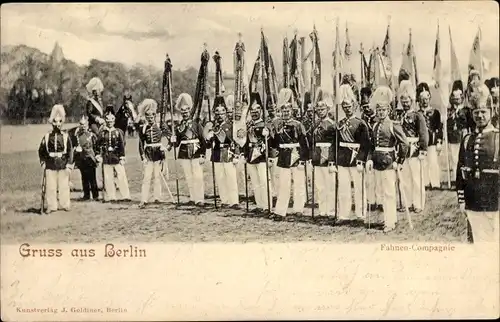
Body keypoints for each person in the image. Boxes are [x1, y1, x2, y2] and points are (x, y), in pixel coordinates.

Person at [456, 84, 499, 243]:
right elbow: (459, 172)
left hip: (494, 201)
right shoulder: (467, 140)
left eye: (483, 112)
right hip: (473, 200)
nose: (479, 116)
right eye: (476, 112)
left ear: (491, 112)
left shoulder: (497, 138)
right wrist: (461, 200)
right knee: (477, 244)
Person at [366, 86, 409, 233]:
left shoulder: (393, 125)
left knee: (389, 193)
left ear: (388, 111)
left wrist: (400, 160)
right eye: (378, 110)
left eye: (383, 110)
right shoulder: (375, 125)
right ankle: (390, 218)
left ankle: (390, 222)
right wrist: (370, 159)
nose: (381, 113)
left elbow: (404, 143)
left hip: (389, 162)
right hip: (377, 162)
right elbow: (372, 145)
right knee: (380, 193)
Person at [335, 84, 371, 223]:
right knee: (343, 188)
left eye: (349, 106)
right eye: (344, 106)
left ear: (354, 106)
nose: (347, 108)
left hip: (356, 158)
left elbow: (365, 144)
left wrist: (361, 160)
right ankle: (344, 214)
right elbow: (337, 144)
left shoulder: (360, 123)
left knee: (359, 187)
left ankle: (360, 214)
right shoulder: (340, 123)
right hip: (343, 158)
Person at [271, 88, 309, 221]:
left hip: (296, 155)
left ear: (292, 111)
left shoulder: (298, 125)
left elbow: (304, 143)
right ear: (280, 111)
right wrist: (267, 134)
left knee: (299, 183)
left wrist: (303, 159)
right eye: (283, 110)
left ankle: (299, 208)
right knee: (283, 184)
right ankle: (281, 210)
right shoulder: (277, 124)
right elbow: (275, 143)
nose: (285, 112)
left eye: (288, 110)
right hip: (283, 156)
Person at [397, 80, 429, 213]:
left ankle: (418, 204)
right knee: (404, 179)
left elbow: (423, 134)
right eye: (403, 101)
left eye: (407, 100)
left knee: (417, 178)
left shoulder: (418, 116)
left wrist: (423, 149)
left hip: (415, 149)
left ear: (412, 100)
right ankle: (406, 202)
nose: (405, 103)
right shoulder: (398, 115)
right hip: (403, 151)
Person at [170, 93, 207, 206]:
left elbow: (203, 140)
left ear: (190, 110)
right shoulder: (179, 126)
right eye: (183, 111)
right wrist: (173, 139)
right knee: (189, 177)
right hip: (184, 152)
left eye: (187, 110)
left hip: (196, 152)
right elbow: (176, 144)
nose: (185, 112)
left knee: (198, 176)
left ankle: (199, 199)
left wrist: (203, 155)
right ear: (180, 112)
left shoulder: (196, 124)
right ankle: (192, 197)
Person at [38, 104, 74, 213]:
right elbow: (41, 150)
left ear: (62, 122)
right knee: (51, 187)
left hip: (62, 163)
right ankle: (52, 206)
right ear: (51, 122)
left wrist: (69, 164)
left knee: (64, 185)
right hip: (50, 164)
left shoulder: (65, 136)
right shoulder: (47, 136)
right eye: (55, 121)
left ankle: (65, 204)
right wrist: (43, 161)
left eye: (59, 121)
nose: (57, 124)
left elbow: (70, 151)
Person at [242, 93, 275, 214]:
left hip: (262, 156)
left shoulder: (266, 124)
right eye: (252, 110)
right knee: (255, 182)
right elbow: (245, 142)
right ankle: (260, 204)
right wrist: (245, 155)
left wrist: (271, 157)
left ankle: (268, 206)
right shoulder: (248, 125)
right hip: (251, 156)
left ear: (261, 110)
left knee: (264, 181)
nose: (254, 112)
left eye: (257, 109)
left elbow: (272, 142)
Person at [205, 97, 240, 209]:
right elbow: (208, 143)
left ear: (226, 113)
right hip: (216, 154)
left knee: (231, 178)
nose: (220, 115)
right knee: (220, 178)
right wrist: (209, 137)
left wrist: (236, 154)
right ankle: (224, 200)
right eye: (217, 113)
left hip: (228, 152)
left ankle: (234, 201)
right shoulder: (213, 126)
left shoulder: (231, 125)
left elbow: (235, 140)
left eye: (222, 112)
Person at [310, 88, 337, 219]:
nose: (320, 112)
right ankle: (322, 210)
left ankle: (331, 210)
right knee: (320, 186)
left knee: (330, 186)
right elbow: (312, 142)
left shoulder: (332, 125)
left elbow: (334, 144)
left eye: (323, 109)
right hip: (317, 157)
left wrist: (332, 161)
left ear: (327, 109)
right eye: (318, 110)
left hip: (328, 157)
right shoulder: (314, 124)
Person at [95, 110, 131, 203]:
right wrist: (98, 155)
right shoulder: (102, 133)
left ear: (114, 122)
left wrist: (122, 157)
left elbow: (121, 146)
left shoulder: (118, 132)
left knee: (121, 176)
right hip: (107, 157)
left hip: (116, 157)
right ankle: (111, 196)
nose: (109, 123)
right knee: (108, 177)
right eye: (108, 121)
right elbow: (97, 145)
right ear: (106, 122)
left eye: (111, 121)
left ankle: (126, 195)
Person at [137, 99, 167, 208]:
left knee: (157, 176)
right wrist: (142, 157)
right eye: (148, 116)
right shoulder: (143, 128)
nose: (150, 118)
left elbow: (168, 135)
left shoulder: (160, 125)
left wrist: (165, 147)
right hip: (148, 154)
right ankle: (144, 199)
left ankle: (157, 197)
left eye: (152, 116)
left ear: (155, 116)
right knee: (147, 177)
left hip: (158, 153)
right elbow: (140, 143)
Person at [417, 82, 443, 190]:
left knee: (433, 162)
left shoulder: (435, 112)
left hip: (432, 141)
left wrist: (439, 141)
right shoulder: (417, 114)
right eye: (422, 99)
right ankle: (426, 182)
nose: (425, 101)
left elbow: (439, 128)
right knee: (424, 163)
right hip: (422, 142)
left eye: (426, 98)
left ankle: (435, 182)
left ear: (429, 98)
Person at [447, 80, 474, 182]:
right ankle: (456, 178)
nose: (457, 100)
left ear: (462, 98)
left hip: (464, 135)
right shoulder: (449, 111)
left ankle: (466, 177)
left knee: (465, 157)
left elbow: (470, 124)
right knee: (454, 158)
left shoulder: (466, 110)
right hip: (453, 137)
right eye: (455, 98)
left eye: (459, 98)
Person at [360, 87, 381, 211]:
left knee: (379, 177)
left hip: (377, 150)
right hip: (367, 150)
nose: (367, 109)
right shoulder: (362, 118)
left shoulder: (378, 118)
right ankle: (371, 200)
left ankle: (380, 200)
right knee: (369, 178)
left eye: (368, 106)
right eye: (364, 107)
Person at [71, 115, 99, 201]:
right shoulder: (76, 136)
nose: (83, 126)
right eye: (81, 124)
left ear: (87, 125)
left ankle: (95, 196)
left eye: (84, 124)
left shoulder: (92, 135)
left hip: (90, 159)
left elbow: (96, 147)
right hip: (81, 159)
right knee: (84, 178)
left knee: (92, 178)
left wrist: (97, 156)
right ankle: (86, 195)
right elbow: (74, 147)